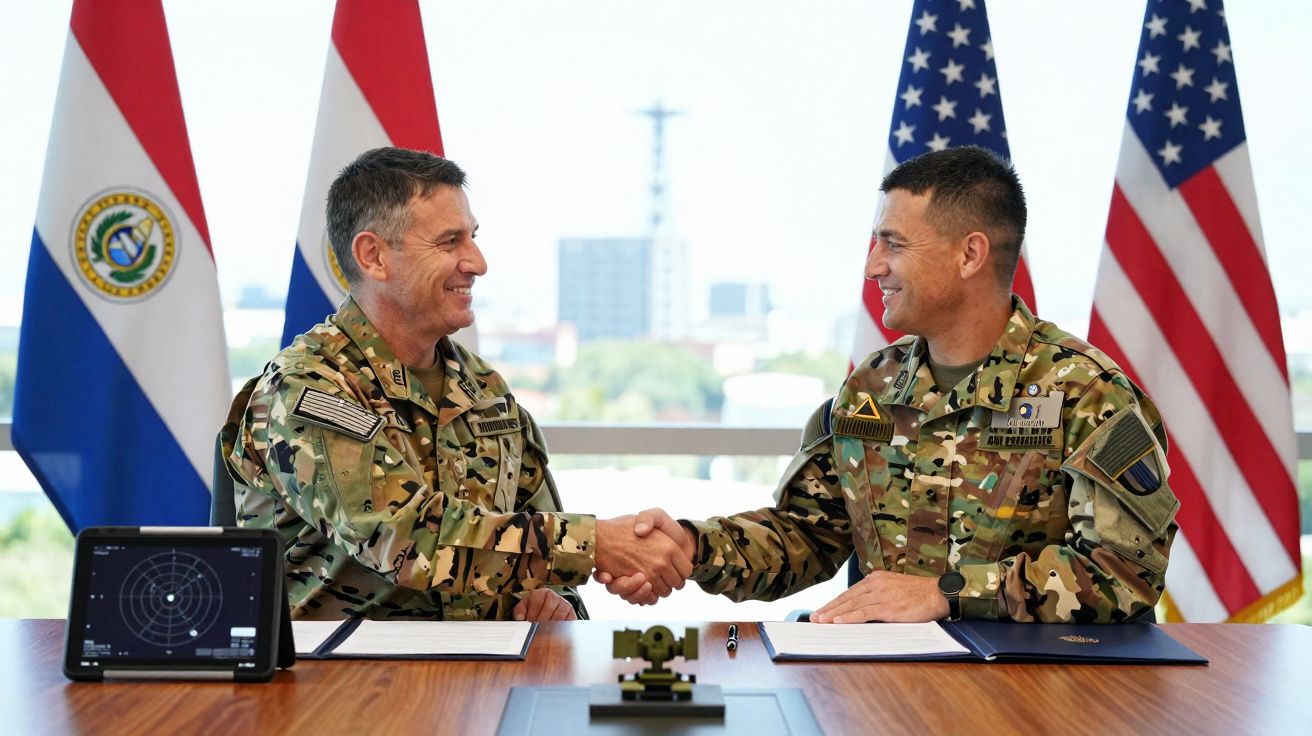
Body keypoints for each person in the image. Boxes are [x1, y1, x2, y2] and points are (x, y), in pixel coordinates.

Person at [602, 146, 1178, 624]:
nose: (872, 266)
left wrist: (945, 593)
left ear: (970, 254)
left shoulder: (1087, 392)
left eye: (894, 244)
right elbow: (808, 536)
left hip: (1034, 699)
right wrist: (691, 546)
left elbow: (1124, 573)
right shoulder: (871, 387)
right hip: (886, 692)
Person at [222, 147, 690, 621]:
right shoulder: (308, 388)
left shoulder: (485, 389)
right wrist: (595, 546)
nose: (478, 262)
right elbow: (405, 538)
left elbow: (542, 550)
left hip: (486, 683)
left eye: (473, 238)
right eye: (450, 242)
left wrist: (557, 604)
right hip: (344, 685)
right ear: (374, 256)